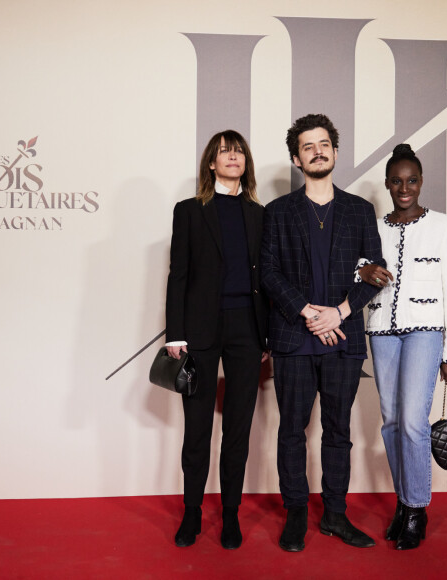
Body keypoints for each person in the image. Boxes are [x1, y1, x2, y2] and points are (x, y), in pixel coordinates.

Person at [261, 113, 385, 552]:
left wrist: (341, 312)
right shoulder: (277, 213)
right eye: (308, 146)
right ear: (297, 158)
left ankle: (335, 515)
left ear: (334, 150)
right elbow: (269, 273)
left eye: (323, 143)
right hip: (294, 339)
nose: (317, 150)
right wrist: (307, 311)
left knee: (338, 431)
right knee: (292, 430)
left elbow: (375, 272)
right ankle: (296, 513)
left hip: (342, 340)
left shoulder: (359, 211)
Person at [165, 130, 269, 549]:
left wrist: (265, 336)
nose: (233, 156)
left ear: (246, 162)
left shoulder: (260, 214)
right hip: (201, 331)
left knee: (239, 432)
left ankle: (230, 516)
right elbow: (179, 275)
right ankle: (192, 514)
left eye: (238, 150)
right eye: (224, 151)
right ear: (211, 162)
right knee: (197, 430)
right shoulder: (188, 211)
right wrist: (176, 333)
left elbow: (267, 277)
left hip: (248, 330)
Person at [358, 143, 447, 550]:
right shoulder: (376, 226)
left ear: (421, 182)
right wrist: (362, 269)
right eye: (397, 181)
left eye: (412, 180)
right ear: (387, 184)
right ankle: (404, 502)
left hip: (426, 331)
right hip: (382, 328)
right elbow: (356, 265)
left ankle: (417, 508)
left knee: (415, 422)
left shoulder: (443, 226)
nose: (405, 188)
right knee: (391, 422)